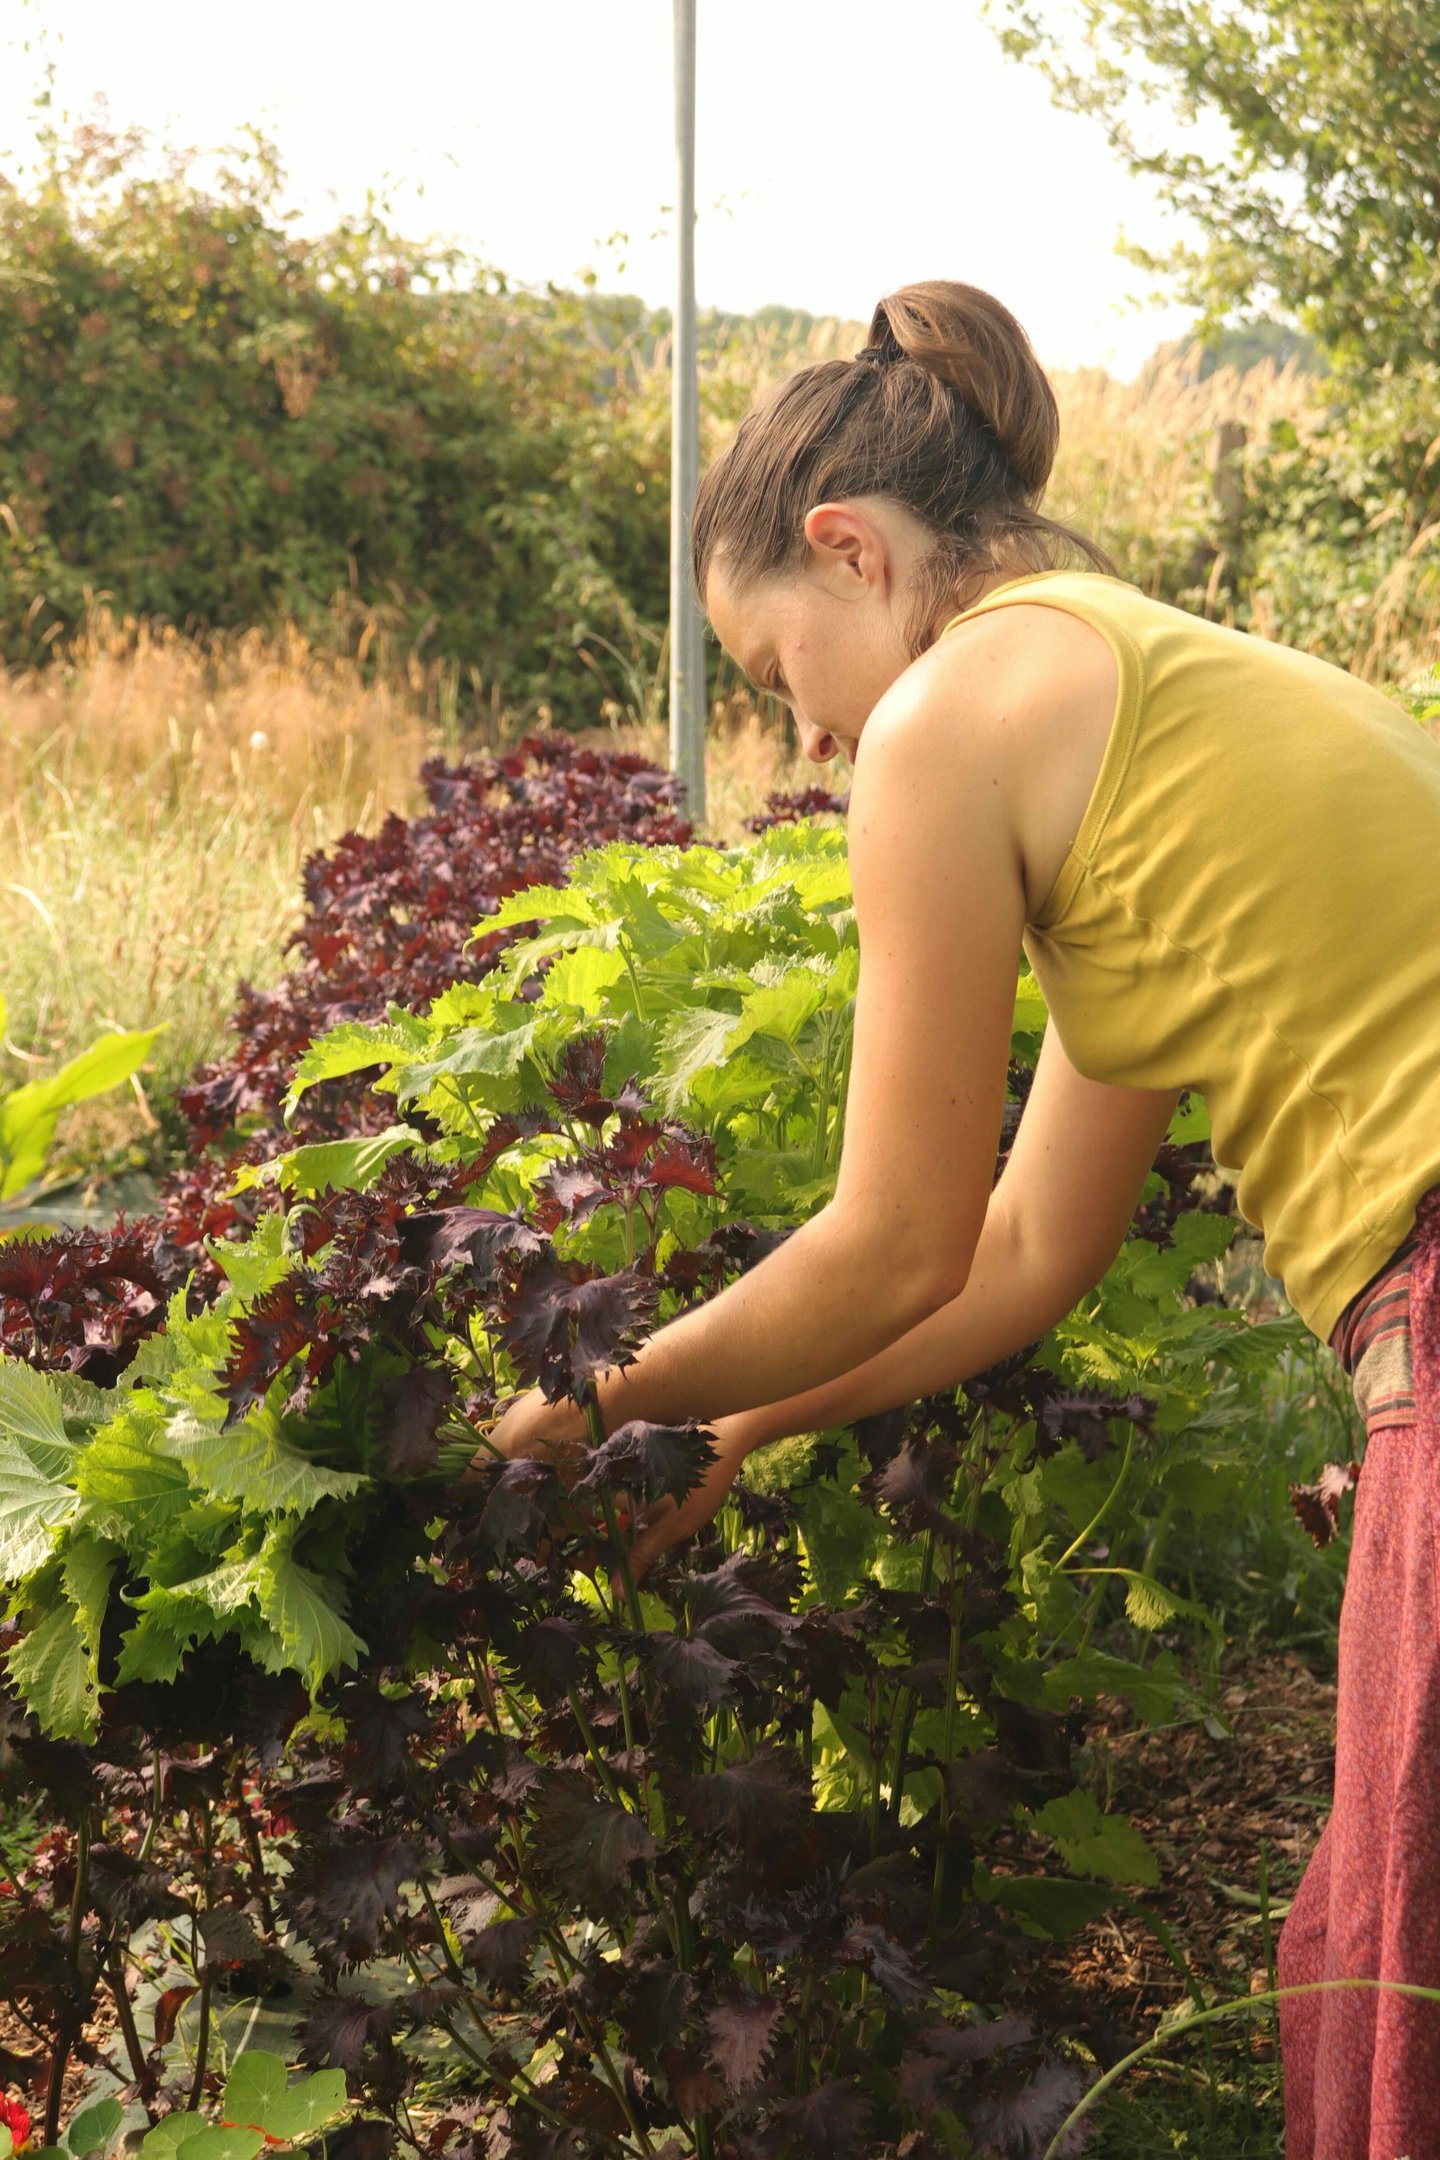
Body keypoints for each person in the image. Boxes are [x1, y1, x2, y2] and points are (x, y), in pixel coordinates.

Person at [486, 279, 1440, 2159]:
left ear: (848, 548)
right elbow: (1016, 1252)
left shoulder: (949, 714)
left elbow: (893, 1239)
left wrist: (598, 1404)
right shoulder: (1146, 698)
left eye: (778, 669)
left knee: (1399, 1994)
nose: (810, 735)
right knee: (1361, 1949)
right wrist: (742, 1424)